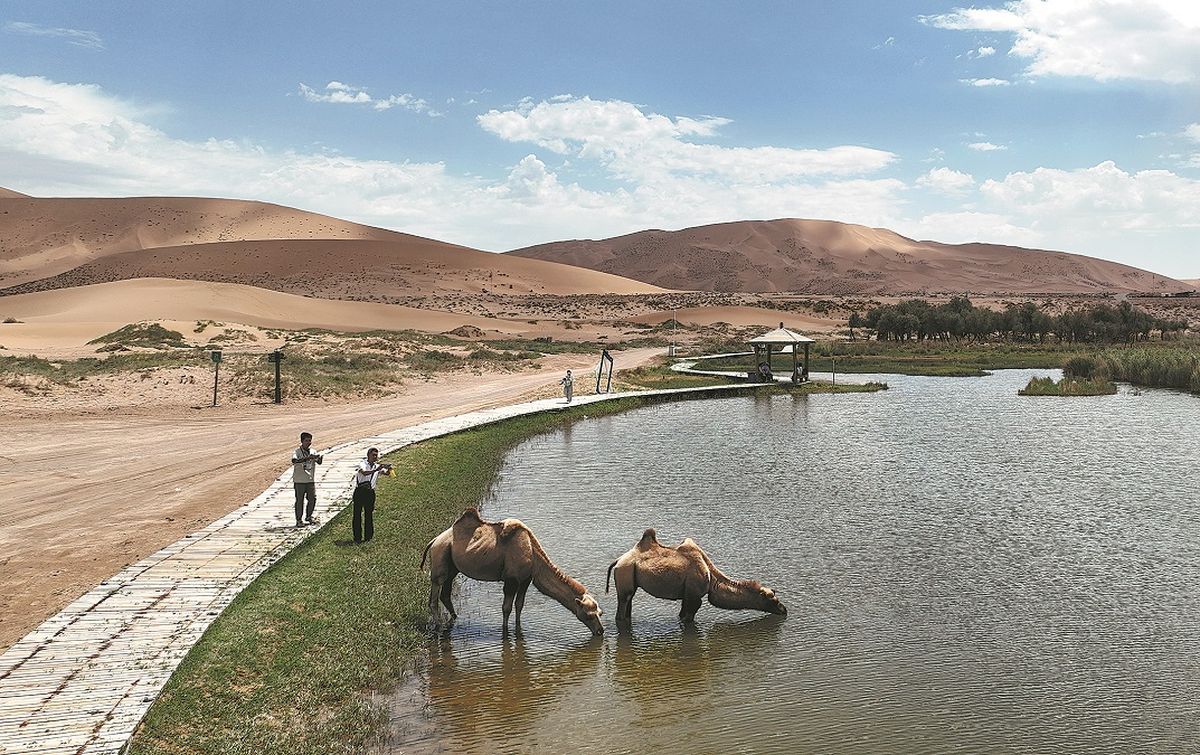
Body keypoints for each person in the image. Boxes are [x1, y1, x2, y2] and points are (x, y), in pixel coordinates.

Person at [352, 447, 391, 543]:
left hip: (370, 493)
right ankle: (357, 537)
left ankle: (368, 537)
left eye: (376, 455)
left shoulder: (377, 466)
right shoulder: (362, 464)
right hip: (360, 491)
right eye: (373, 455)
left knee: (368, 514)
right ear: (368, 455)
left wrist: (389, 468)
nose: (375, 457)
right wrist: (376, 469)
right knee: (357, 514)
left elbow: (388, 474)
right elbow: (364, 473)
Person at [291, 432, 323, 527]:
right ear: (302, 441)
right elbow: (294, 461)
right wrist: (307, 458)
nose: (308, 443)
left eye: (309, 441)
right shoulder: (296, 452)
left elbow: (319, 462)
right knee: (299, 501)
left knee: (312, 498)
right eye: (306, 441)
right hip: (299, 481)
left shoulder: (313, 451)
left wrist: (319, 458)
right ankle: (299, 520)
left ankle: (309, 516)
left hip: (310, 480)